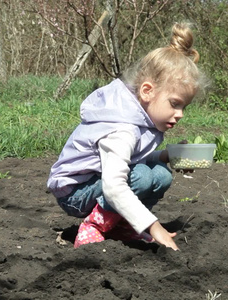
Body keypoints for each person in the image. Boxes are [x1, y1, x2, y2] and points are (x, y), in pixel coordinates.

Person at [47, 23, 205, 251]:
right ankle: (95, 225)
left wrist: (165, 156)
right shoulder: (123, 129)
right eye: (174, 104)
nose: (179, 114)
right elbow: (114, 186)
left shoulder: (142, 117)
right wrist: (152, 225)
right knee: (141, 177)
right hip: (75, 191)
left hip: (96, 180)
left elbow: (133, 158)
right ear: (147, 91)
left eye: (184, 107)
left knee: (161, 175)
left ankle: (120, 225)